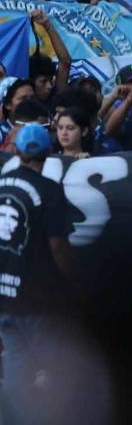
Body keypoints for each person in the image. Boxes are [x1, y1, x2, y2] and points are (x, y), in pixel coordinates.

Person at [0, 124, 79, 423]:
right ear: (48, 152)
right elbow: (58, 248)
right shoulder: (48, 191)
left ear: (16, 150)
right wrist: (71, 286)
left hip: (5, 296)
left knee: (17, 371)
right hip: (38, 299)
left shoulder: (2, 184)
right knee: (57, 369)